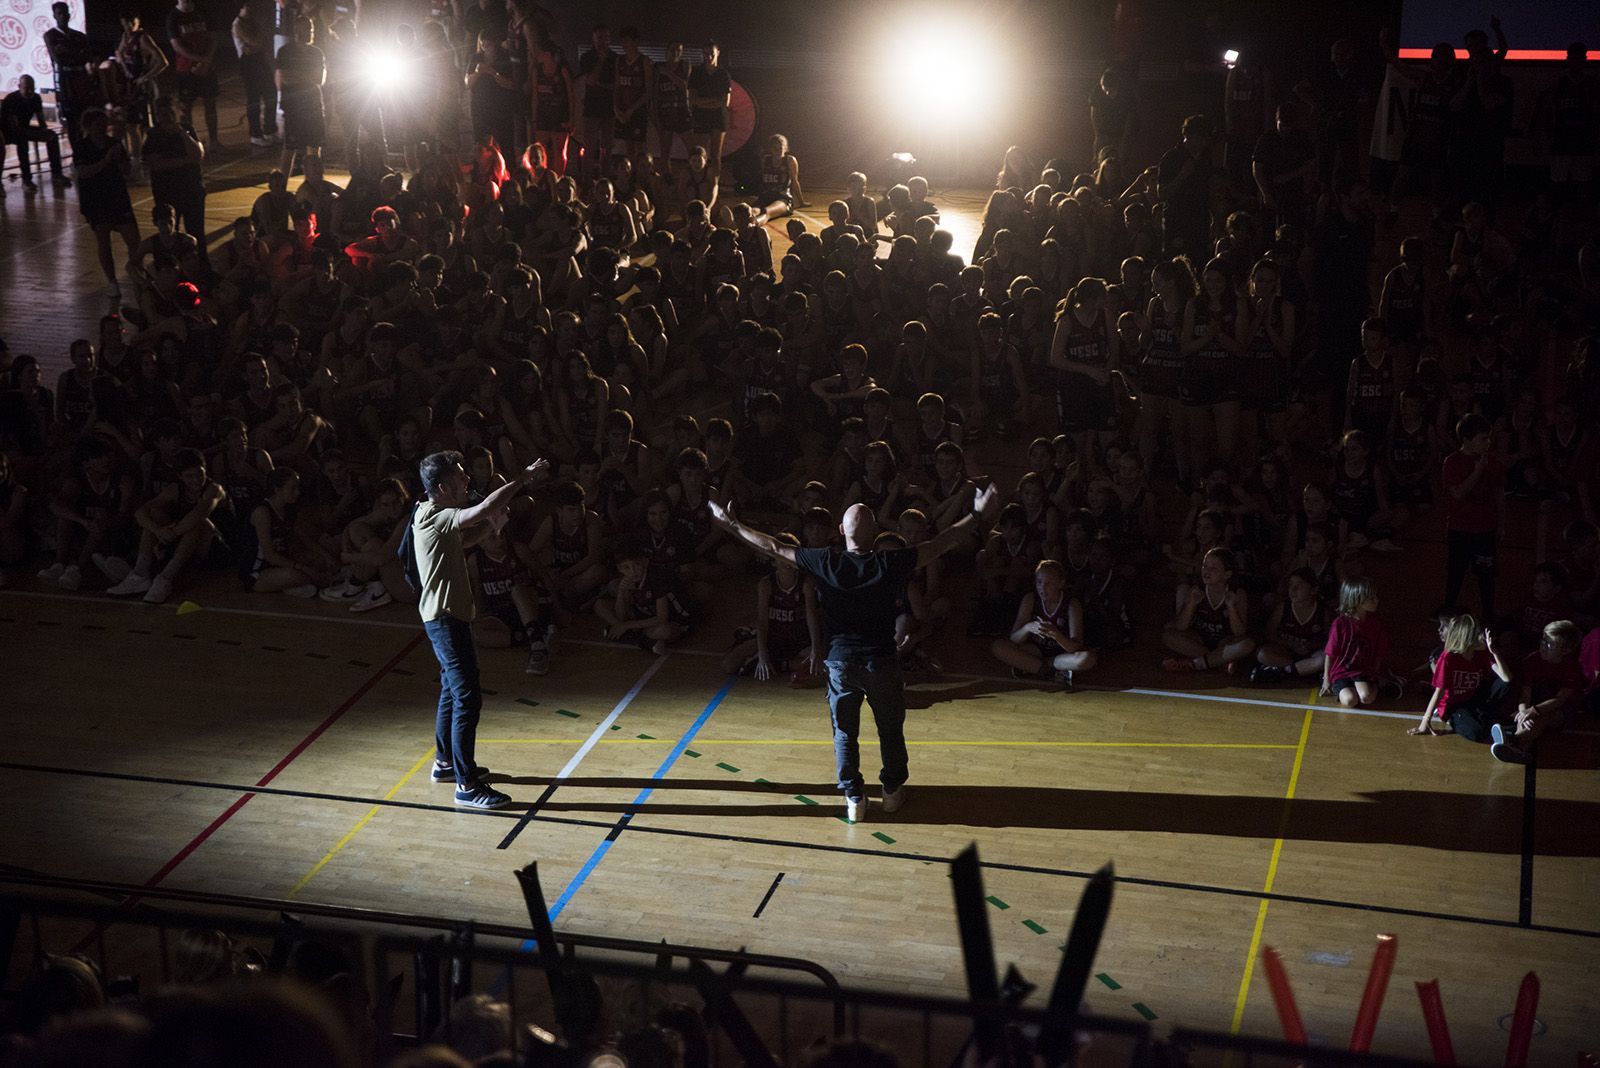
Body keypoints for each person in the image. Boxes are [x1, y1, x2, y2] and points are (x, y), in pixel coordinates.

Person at [708, 482, 1000, 822]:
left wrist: (731, 525)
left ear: (840, 531)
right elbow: (941, 543)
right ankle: (891, 791)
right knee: (890, 729)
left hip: (841, 663)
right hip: (882, 662)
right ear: (876, 533)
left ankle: (854, 798)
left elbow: (774, 547)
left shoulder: (826, 562)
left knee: (845, 733)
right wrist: (977, 514)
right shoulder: (890, 563)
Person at [412, 450, 551, 809]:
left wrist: (492, 526)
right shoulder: (437, 516)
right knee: (467, 697)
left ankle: (445, 764)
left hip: (445, 618)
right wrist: (521, 480)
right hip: (445, 620)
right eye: (461, 476)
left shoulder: (428, 514)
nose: (467, 480)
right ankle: (467, 785)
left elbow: (464, 539)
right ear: (443, 488)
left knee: (450, 690)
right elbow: (482, 509)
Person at [991, 558, 1099, 687]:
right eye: (1039, 582)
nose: (1042, 588)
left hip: (1061, 654)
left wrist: (1056, 634)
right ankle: (1049, 672)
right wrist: (1028, 628)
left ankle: (1031, 666)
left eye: (1048, 583)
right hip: (1035, 650)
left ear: (1061, 583)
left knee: (1088, 659)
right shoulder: (1030, 599)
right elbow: (1014, 639)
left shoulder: (1071, 605)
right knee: (998, 646)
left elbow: (1075, 646)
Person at [1492, 620, 1585, 764]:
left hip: (1561, 710)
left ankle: (1511, 738)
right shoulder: (1532, 660)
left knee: (1544, 716)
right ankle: (1520, 751)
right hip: (1535, 704)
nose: (1543, 646)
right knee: (1528, 720)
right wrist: (1524, 712)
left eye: (1550, 644)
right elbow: (1525, 693)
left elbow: (1559, 700)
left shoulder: (1573, 668)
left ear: (1565, 650)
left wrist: (1533, 711)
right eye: (1543, 640)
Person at [1408, 613, 1511, 740]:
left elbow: (1506, 678)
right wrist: (1425, 722)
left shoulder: (1482, 653)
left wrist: (1494, 651)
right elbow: (1439, 692)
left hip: (1472, 700)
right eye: (1477, 634)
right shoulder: (1448, 658)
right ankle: (1456, 719)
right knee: (1476, 732)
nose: (1481, 637)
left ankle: (1487, 717)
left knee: (1504, 684)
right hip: (1453, 706)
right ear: (1467, 638)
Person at [74, 110, 142, 301]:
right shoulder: (82, 147)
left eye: (105, 124)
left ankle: (136, 274)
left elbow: (127, 171)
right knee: (103, 242)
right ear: (88, 126)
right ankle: (112, 281)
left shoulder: (114, 143)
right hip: (96, 200)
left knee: (134, 240)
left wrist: (121, 160)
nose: (103, 128)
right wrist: (105, 160)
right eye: (98, 125)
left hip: (117, 196)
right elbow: (84, 172)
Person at [140, 100, 208, 249]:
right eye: (164, 114)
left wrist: (182, 134)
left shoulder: (187, 129)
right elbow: (156, 164)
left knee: (197, 234)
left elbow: (197, 154)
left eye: (171, 113)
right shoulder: (153, 136)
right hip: (167, 194)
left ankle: (201, 266)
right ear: (157, 116)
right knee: (169, 234)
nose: (168, 118)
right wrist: (184, 161)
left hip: (192, 191)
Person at [1319, 576, 1392, 707]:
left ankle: (1377, 686)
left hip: (1362, 671)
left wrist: (1375, 674)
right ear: (1357, 599)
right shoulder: (1340, 623)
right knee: (1350, 700)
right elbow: (1330, 653)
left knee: (1366, 698)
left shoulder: (1376, 624)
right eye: (1371, 598)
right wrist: (1326, 679)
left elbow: (1380, 652)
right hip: (1341, 671)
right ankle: (1342, 688)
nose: (1376, 600)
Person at [1156, 114, 1214, 260]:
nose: (1203, 143)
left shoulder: (1206, 158)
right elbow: (1162, 194)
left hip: (1200, 222)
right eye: (1200, 139)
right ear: (1189, 135)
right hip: (1177, 222)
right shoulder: (1171, 158)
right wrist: (1182, 175)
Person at [276, 15, 326, 178]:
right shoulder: (286, 52)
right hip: (294, 108)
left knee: (314, 148)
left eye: (311, 29)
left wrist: (299, 76)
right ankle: (281, 188)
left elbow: (319, 79)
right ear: (296, 30)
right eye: (306, 29)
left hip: (313, 106)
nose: (309, 32)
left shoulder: (316, 53)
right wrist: (307, 77)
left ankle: (314, 184)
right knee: (290, 148)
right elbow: (286, 78)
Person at [167, 0, 222, 148]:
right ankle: (190, 142)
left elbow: (213, 37)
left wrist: (207, 61)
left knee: (210, 104)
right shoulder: (173, 17)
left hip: (206, 67)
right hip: (186, 69)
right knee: (186, 108)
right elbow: (177, 46)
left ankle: (214, 141)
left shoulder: (202, 12)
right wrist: (199, 60)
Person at [1, 76, 71, 190]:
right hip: (7, 132)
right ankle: (26, 180)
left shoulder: (35, 98)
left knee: (52, 136)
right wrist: (33, 133)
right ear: (19, 87)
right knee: (22, 141)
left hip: (23, 129)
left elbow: (41, 120)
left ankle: (57, 173)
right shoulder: (11, 100)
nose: (29, 92)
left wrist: (44, 131)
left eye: (32, 89)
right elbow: (14, 127)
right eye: (26, 88)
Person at [44, 1, 97, 148]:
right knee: (72, 120)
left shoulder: (79, 36)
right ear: (54, 16)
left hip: (81, 79)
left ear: (69, 14)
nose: (63, 16)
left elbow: (87, 56)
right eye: (59, 13)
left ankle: (89, 149)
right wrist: (76, 53)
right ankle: (77, 153)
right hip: (65, 81)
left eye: (65, 13)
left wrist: (68, 51)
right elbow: (58, 59)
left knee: (86, 116)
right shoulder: (50, 35)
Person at [233, 0, 278, 146]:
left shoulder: (253, 22)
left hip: (259, 59)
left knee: (271, 94)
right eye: (248, 7)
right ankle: (255, 134)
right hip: (248, 63)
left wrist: (258, 40)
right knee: (254, 99)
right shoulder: (238, 24)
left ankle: (270, 130)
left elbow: (259, 42)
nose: (251, 10)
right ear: (241, 8)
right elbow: (255, 41)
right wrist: (259, 37)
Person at [688, 40, 731, 175]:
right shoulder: (696, 73)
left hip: (718, 118)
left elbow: (725, 102)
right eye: (706, 53)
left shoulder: (723, 74)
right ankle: (699, 182)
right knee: (700, 154)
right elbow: (693, 100)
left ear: (717, 53)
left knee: (715, 155)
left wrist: (703, 102)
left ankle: (714, 185)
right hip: (700, 117)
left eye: (711, 53)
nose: (709, 56)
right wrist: (713, 100)